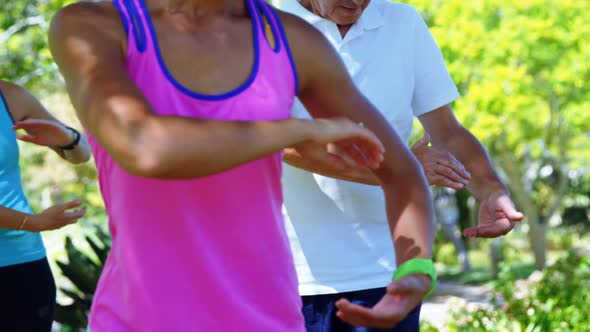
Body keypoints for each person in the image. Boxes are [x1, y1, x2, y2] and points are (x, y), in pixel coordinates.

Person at [49, 0, 440, 330]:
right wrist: (294, 130)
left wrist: (415, 267)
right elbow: (144, 147)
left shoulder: (291, 38)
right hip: (139, 317)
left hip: (269, 317)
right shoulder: (93, 25)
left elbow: (402, 174)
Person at [277, 0, 525, 331]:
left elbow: (446, 130)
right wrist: (400, 169)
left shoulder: (402, 22)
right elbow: (276, 140)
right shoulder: (263, 23)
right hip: (290, 275)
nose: (357, 2)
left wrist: (491, 189)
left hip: (388, 274)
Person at [0, 80, 90, 331]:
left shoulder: (9, 96)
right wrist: (32, 222)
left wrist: (68, 140)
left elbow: (82, 152)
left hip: (22, 266)